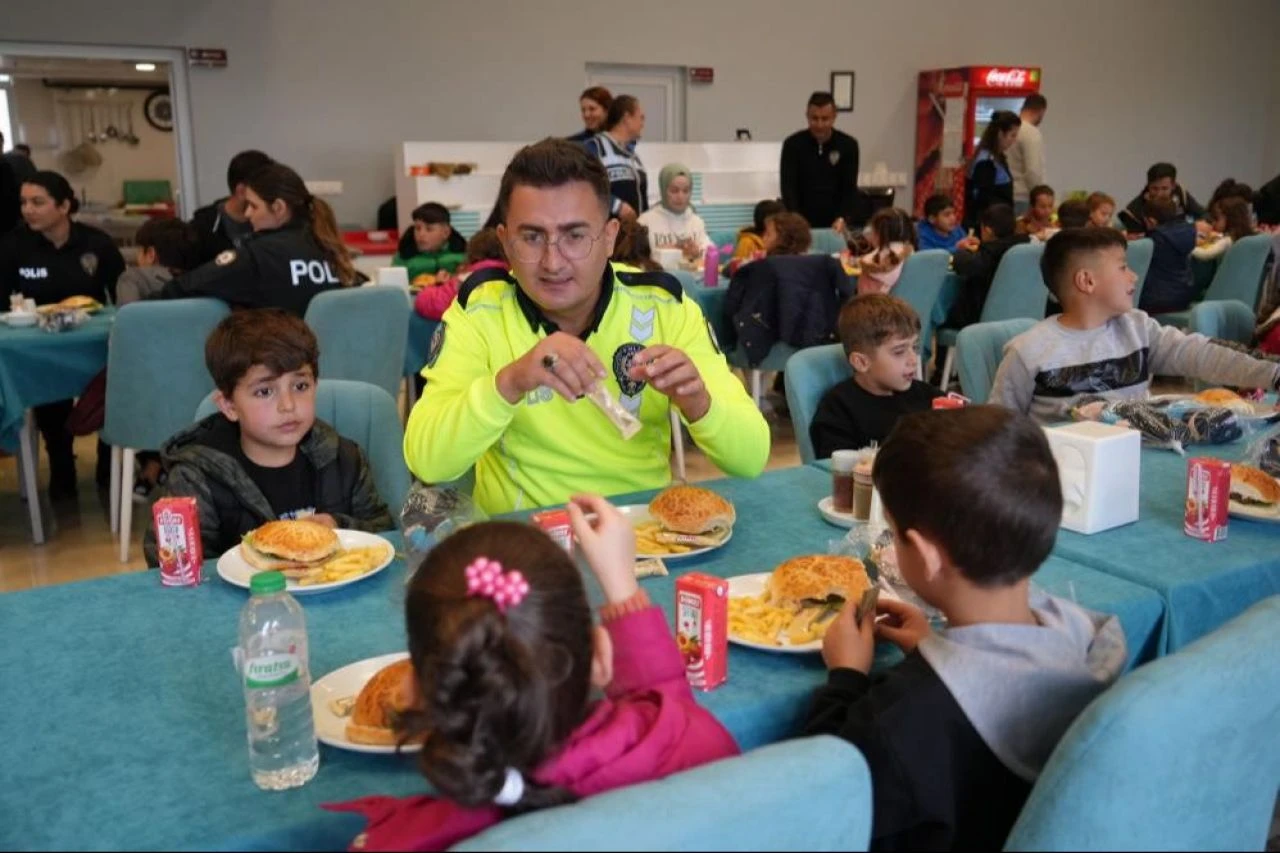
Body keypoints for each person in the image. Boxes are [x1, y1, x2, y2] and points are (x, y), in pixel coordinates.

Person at [327, 495, 739, 849]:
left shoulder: (406, 839)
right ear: (599, 656)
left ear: (414, 690)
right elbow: (670, 726)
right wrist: (622, 585)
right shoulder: (697, 744)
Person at [806, 404, 1126, 850]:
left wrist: (845, 677)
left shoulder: (898, 717)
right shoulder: (1087, 636)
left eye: (895, 535)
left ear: (925, 553)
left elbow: (821, 797)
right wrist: (932, 648)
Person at [403, 138, 769, 515]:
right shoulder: (480, 311)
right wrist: (510, 382)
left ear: (610, 237)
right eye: (531, 237)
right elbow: (428, 462)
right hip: (524, 544)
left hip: (642, 537)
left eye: (575, 236)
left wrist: (699, 402)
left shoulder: (664, 307)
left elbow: (751, 458)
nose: (553, 262)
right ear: (505, 242)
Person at [142, 309, 393, 563]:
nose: (288, 405)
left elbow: (386, 534)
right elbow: (170, 566)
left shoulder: (344, 459)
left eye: (300, 386)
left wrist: (337, 524)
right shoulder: (195, 480)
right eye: (264, 392)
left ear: (316, 386)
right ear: (229, 406)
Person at [989, 228, 1280, 422]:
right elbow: (998, 430)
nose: (1134, 277)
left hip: (1136, 463)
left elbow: (1202, 354)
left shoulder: (1137, 330)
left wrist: (1274, 373)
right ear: (1087, 281)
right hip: (1063, 479)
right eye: (1123, 267)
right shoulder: (1029, 352)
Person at [0, 170, 126, 498]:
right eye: (24, 202)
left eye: (38, 202)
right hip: (37, 348)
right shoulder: (13, 246)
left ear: (64, 205)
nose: (28, 209)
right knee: (50, 398)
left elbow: (123, 296)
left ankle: (107, 460)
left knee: (108, 391)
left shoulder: (97, 244)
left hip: (92, 343)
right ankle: (60, 462)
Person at [155, 162, 358, 315]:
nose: (248, 214)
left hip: (278, 364)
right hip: (331, 364)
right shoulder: (332, 251)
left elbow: (182, 288)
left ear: (278, 208)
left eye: (253, 206)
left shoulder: (259, 255)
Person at [809, 294, 941, 458]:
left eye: (915, 347)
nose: (913, 360)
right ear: (861, 362)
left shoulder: (928, 396)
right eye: (899, 351)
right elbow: (837, 468)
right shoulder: (838, 409)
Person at [780, 92, 859, 230]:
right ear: (807, 116)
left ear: (834, 117)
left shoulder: (848, 145)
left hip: (836, 224)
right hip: (801, 224)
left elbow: (849, 188)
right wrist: (796, 221)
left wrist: (842, 217)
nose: (819, 124)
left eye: (825, 118)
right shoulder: (792, 145)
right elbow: (788, 187)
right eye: (814, 118)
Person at [945, 203, 1029, 330]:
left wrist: (961, 250)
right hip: (1021, 316)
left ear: (987, 230)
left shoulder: (991, 254)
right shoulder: (1025, 248)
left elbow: (963, 263)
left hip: (980, 319)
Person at [188, 149, 274, 265]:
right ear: (241, 191)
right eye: (263, 187)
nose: (268, 194)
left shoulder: (273, 222)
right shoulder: (202, 228)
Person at [414, 228, 508, 322]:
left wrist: (436, 285)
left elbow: (427, 303)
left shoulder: (466, 280)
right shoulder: (511, 277)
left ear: (472, 252)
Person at [584, 95, 648, 221]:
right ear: (627, 118)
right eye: (641, 118)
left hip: (633, 235)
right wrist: (616, 205)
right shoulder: (595, 147)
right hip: (605, 233)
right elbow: (582, 186)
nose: (642, 124)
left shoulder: (634, 157)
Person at [116, 217, 201, 305]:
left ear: (150, 254)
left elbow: (128, 316)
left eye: (140, 251)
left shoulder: (133, 279)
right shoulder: (203, 283)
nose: (137, 258)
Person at [637, 163, 712, 260]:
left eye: (685, 191)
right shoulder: (645, 221)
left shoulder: (696, 222)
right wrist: (664, 252)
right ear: (663, 190)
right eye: (674, 191)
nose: (680, 197)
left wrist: (697, 252)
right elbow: (636, 259)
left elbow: (710, 252)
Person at [1136, 196, 1197, 314]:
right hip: (1185, 296)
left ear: (1151, 221)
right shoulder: (1187, 231)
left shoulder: (1157, 239)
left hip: (1158, 300)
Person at [963, 111, 1020, 231]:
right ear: (1000, 133)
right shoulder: (986, 162)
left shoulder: (998, 158)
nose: (1014, 140)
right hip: (989, 228)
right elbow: (983, 202)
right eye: (1012, 135)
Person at [1119, 163, 1205, 236]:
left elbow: (1203, 215)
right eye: (1154, 188)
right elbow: (1141, 244)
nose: (1159, 194)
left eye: (1164, 189)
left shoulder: (1180, 193)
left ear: (1173, 186)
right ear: (1148, 186)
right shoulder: (1132, 212)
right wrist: (1189, 229)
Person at [394, 202, 468, 285]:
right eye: (417, 228)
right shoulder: (404, 256)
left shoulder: (463, 255)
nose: (421, 234)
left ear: (446, 233)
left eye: (429, 229)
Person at [857, 208, 916, 295]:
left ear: (879, 233)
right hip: (903, 305)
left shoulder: (871, 262)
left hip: (875, 304)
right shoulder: (910, 251)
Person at [1006, 93, 1048, 213]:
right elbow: (1032, 170)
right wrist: (1039, 197)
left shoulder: (1010, 129)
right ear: (1041, 111)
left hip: (1007, 193)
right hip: (1023, 196)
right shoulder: (1031, 133)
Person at [1193, 197, 1256, 262]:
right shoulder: (1247, 236)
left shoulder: (1227, 241)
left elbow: (1204, 254)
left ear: (1231, 219)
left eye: (1216, 219)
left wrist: (1187, 245)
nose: (1213, 223)